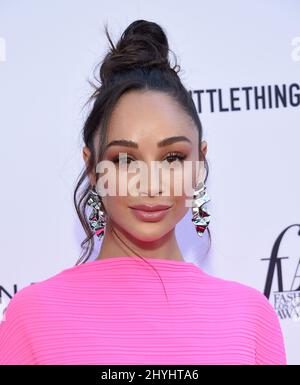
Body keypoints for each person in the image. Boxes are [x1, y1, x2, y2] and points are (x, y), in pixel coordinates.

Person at [0, 19, 287, 365]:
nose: (151, 183)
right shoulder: (32, 318)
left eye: (172, 158)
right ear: (92, 169)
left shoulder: (251, 317)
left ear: (199, 163)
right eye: (124, 159)